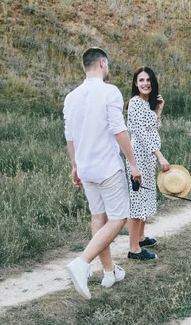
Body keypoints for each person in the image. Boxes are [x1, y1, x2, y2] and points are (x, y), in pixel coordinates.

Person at [63, 47, 142, 299]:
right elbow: (119, 130)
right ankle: (83, 262)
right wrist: (133, 163)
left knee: (98, 217)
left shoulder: (71, 97)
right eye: (107, 65)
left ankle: (109, 272)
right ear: (101, 63)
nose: (108, 68)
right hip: (107, 167)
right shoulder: (110, 91)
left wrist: (75, 165)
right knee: (119, 218)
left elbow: (70, 136)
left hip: (86, 168)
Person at [125, 66, 170, 260]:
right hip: (138, 156)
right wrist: (160, 156)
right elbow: (142, 134)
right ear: (136, 83)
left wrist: (158, 110)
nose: (145, 84)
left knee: (146, 197)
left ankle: (141, 237)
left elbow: (152, 127)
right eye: (141, 80)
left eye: (148, 80)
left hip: (147, 156)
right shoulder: (135, 102)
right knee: (137, 202)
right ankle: (134, 248)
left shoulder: (146, 103)